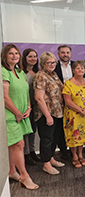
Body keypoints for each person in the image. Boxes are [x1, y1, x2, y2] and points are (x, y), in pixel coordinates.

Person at [2, 44, 39, 190]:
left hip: (22, 114)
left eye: (16, 53)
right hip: (10, 115)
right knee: (19, 144)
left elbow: (26, 92)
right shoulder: (4, 71)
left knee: (12, 145)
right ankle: (24, 176)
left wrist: (29, 107)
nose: (14, 56)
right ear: (5, 56)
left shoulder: (20, 71)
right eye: (11, 53)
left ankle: (12, 171)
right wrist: (17, 112)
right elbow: (4, 97)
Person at [33, 52, 65, 175]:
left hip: (57, 112)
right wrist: (47, 116)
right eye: (49, 63)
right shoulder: (40, 75)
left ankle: (51, 158)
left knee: (54, 137)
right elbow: (39, 98)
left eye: (53, 62)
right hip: (46, 114)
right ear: (42, 64)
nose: (52, 65)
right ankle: (46, 164)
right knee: (46, 139)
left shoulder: (54, 74)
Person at [62, 60, 85, 168]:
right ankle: (74, 156)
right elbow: (67, 101)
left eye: (82, 68)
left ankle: (80, 154)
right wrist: (81, 110)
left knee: (83, 135)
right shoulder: (68, 83)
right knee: (74, 136)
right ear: (73, 70)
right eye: (78, 68)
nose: (80, 70)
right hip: (74, 115)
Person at [54, 44, 74, 160]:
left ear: (70, 54)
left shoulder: (76, 65)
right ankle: (63, 150)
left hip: (74, 100)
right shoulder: (54, 66)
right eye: (63, 52)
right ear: (58, 54)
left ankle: (73, 148)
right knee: (61, 126)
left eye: (67, 52)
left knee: (74, 125)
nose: (65, 55)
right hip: (59, 101)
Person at [22, 48, 41, 166]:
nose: (33, 59)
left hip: (36, 106)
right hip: (26, 106)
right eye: (30, 56)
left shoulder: (37, 72)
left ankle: (33, 151)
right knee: (26, 132)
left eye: (35, 56)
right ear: (25, 58)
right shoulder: (21, 73)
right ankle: (26, 153)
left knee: (33, 130)